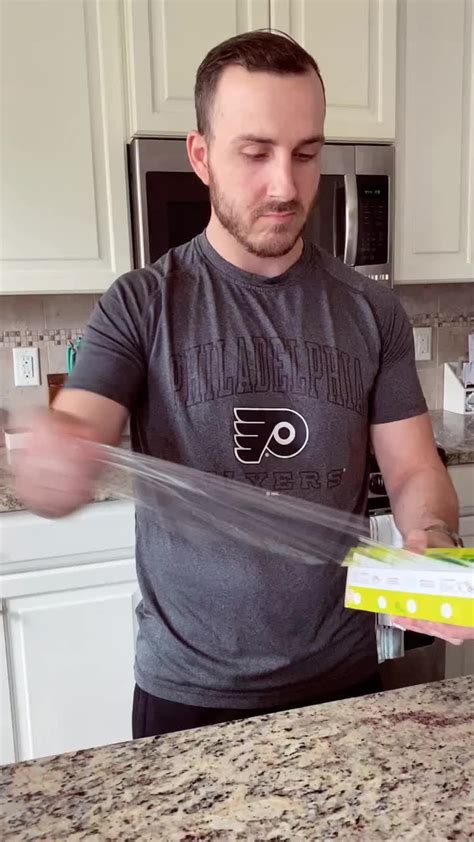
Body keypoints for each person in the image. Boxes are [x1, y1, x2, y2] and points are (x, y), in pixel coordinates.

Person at [14, 31, 470, 739]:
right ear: (201, 156)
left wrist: (433, 536)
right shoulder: (141, 303)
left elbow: (413, 468)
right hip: (188, 695)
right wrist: (52, 463)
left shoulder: (369, 308)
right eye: (255, 153)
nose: (285, 185)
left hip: (343, 684)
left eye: (307, 153)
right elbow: (78, 438)